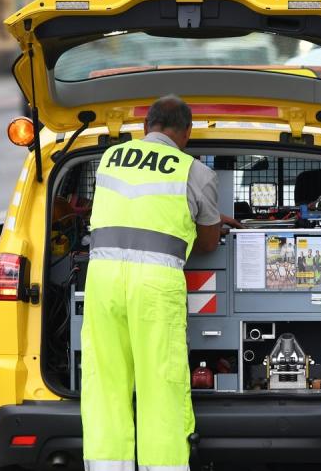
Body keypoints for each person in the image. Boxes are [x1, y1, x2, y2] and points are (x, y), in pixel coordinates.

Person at [81, 94, 240, 471]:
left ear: (144, 127)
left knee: (105, 383)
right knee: (159, 385)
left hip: (102, 281)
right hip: (154, 287)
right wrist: (216, 221)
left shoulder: (108, 159)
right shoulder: (195, 172)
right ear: (187, 132)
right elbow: (205, 243)